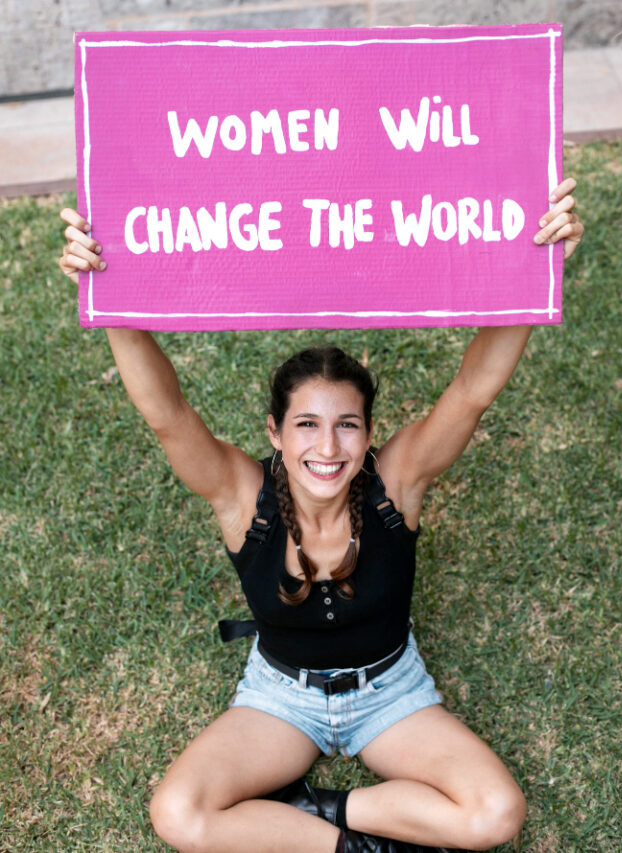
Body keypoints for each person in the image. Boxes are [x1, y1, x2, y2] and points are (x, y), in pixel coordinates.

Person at [58, 180, 583, 853]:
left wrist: (539, 267)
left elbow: (473, 390)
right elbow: (169, 416)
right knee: (179, 813)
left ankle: (326, 806)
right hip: (282, 697)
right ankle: (347, 846)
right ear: (274, 432)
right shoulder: (241, 497)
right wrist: (109, 299)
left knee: (495, 814)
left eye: (347, 426)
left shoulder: (396, 486)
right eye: (307, 425)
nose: (327, 447)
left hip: (391, 693)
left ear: (369, 433)